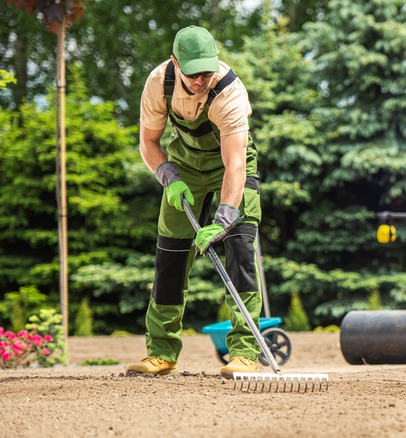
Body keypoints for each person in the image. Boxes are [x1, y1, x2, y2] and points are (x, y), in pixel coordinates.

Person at [127, 25, 262, 378]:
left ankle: (245, 353)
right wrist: (168, 178)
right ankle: (161, 352)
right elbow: (149, 143)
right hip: (183, 166)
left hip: (231, 167)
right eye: (194, 73)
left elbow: (235, 164)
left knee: (240, 252)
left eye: (207, 70)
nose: (202, 79)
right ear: (175, 63)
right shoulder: (159, 83)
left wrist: (225, 216)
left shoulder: (229, 91)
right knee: (169, 256)